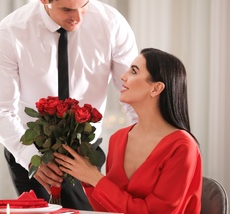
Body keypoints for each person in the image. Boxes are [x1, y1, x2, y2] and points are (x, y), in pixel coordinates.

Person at [0, 0, 138, 210]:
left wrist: (146, 150)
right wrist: (32, 159)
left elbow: (134, 97)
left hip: (87, 153)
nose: (78, 17)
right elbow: (2, 111)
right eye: (67, 9)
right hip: (29, 153)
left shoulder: (112, 25)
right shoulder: (10, 33)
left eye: (84, 5)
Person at [54, 48, 202, 213]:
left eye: (134, 71)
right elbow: (108, 209)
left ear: (156, 89)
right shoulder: (118, 138)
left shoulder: (182, 147)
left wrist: (95, 179)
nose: (123, 76)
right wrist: (88, 178)